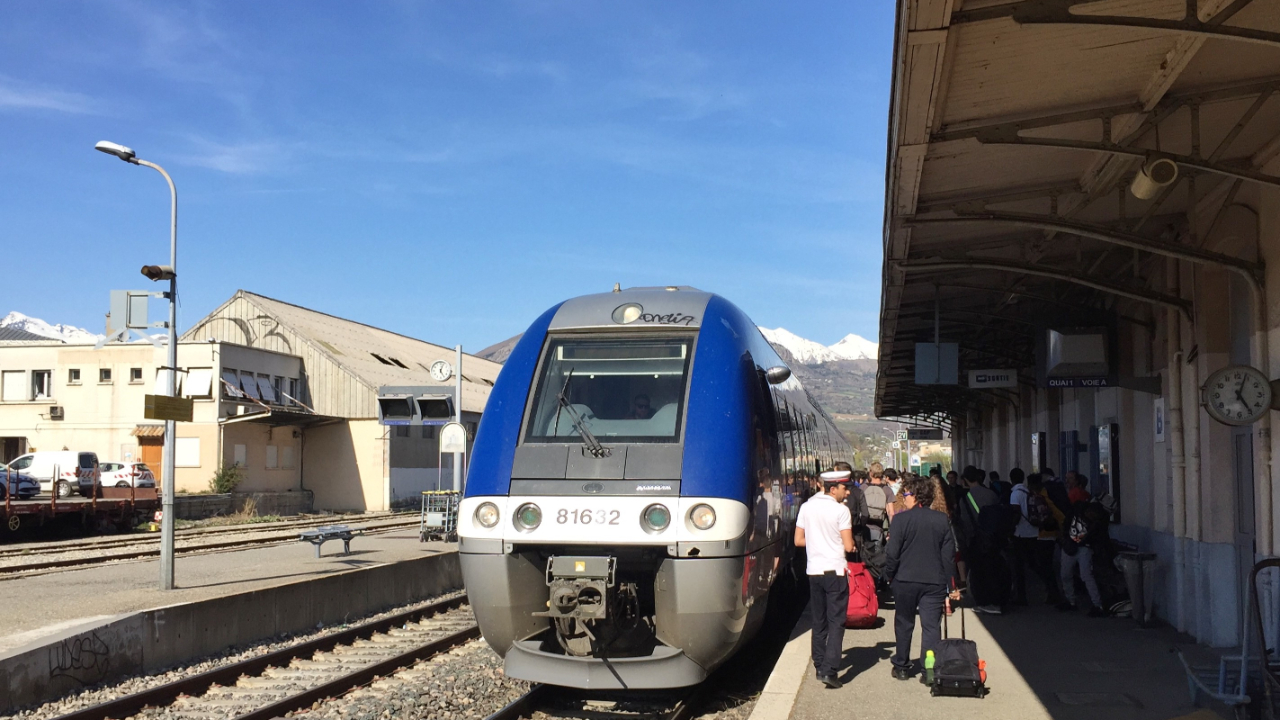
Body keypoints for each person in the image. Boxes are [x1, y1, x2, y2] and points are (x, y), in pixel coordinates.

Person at [884, 476, 959, 680]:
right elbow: (948, 556)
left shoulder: (900, 520)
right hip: (934, 581)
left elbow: (892, 553)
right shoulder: (941, 519)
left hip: (905, 579)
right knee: (931, 626)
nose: (904, 498)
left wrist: (889, 575)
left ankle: (901, 666)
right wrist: (951, 585)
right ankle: (929, 669)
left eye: (906, 494)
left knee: (904, 622)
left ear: (915, 496)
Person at [795, 470, 856, 689]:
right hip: (834, 571)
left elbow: (798, 540)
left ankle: (819, 664)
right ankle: (830, 671)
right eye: (844, 488)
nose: (847, 491)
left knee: (818, 620)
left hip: (814, 571)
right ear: (833, 489)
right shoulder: (841, 511)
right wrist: (847, 546)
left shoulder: (806, 507)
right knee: (836, 621)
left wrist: (817, 542)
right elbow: (848, 546)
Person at [1010, 473, 1064, 605]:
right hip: (1036, 532)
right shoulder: (1033, 493)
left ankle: (1022, 596)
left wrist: (1010, 528)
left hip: (1021, 534)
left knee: (1019, 566)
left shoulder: (1016, 494)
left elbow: (1016, 513)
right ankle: (1052, 590)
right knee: (1038, 564)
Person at [957, 467, 1002, 614]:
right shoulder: (991, 494)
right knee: (994, 570)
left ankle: (985, 602)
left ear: (965, 480)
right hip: (993, 538)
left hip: (976, 539)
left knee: (979, 572)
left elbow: (965, 523)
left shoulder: (966, 498)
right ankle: (997, 600)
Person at [834, 461, 869, 541]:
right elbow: (865, 514)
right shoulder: (858, 491)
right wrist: (859, 528)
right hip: (855, 532)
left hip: (837, 534)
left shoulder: (833, 491)